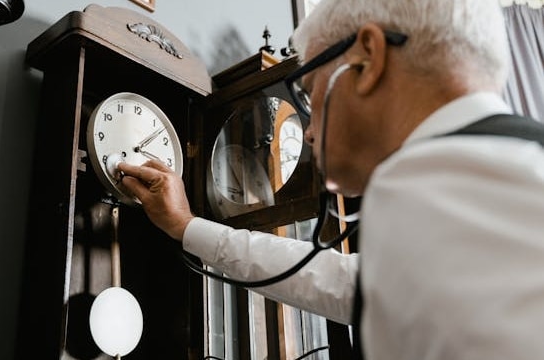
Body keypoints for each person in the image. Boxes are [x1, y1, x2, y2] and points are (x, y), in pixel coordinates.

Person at [116, 0, 544, 359]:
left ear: (368, 58)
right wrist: (186, 227)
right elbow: (333, 280)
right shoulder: (488, 192)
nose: (307, 130)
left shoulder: (423, 193)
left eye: (307, 90)